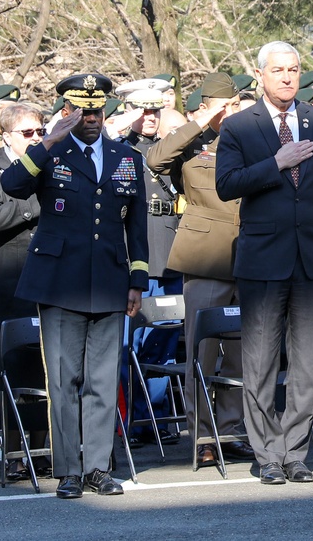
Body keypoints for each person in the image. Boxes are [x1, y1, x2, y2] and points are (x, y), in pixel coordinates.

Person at [1, 73, 149, 498]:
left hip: (108, 280)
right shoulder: (51, 151)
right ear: (66, 111)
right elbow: (11, 186)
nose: (90, 118)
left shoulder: (124, 156)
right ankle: (68, 468)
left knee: (103, 381)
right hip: (59, 281)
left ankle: (98, 468)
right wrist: (45, 142)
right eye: (82, 110)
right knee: (65, 380)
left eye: (97, 110)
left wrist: (137, 280)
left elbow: (136, 226)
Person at [215, 42, 313, 485]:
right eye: (279, 71)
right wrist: (275, 162)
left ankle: (295, 452)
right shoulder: (238, 126)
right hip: (262, 260)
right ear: (260, 75)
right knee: (260, 362)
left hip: (312, 255)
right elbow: (226, 185)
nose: (288, 78)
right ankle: (268, 454)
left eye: (294, 70)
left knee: (307, 361)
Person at [147, 72, 255, 467]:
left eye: (236, 106)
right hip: (206, 254)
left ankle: (231, 429)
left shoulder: (251, 137)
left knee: (242, 352)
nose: (232, 113)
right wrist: (200, 121)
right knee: (202, 351)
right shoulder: (193, 143)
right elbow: (155, 160)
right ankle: (203, 435)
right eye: (225, 106)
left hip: (251, 252)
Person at [0, 103, 49, 480]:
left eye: (40, 131)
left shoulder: (50, 162)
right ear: (6, 136)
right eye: (28, 133)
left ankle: (44, 446)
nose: (36, 138)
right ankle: (14, 450)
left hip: (49, 272)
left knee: (44, 364)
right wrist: (37, 203)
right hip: (10, 276)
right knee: (13, 363)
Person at [113, 78, 184, 447]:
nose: (151, 117)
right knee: (131, 345)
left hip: (170, 253)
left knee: (163, 345)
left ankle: (155, 416)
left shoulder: (170, 149)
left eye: (155, 110)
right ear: (127, 112)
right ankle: (129, 420)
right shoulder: (118, 150)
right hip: (137, 257)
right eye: (143, 110)